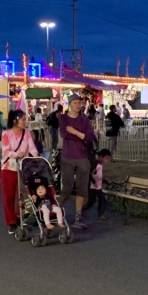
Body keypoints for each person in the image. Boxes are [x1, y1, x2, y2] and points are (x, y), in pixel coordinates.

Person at [58, 95, 97, 229]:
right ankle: (55, 211)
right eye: (74, 103)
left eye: (79, 103)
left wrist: (75, 132)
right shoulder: (63, 118)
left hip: (82, 156)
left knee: (82, 188)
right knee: (67, 188)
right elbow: (64, 134)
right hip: (68, 156)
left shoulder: (84, 120)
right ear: (69, 104)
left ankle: (78, 216)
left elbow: (90, 136)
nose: (77, 105)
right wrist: (81, 135)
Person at [0, 110, 40, 234]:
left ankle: (20, 216)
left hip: (23, 168)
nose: (25, 122)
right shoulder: (6, 134)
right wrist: (17, 154)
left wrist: (37, 157)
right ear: (15, 120)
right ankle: (11, 221)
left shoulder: (26, 133)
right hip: (8, 168)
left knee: (24, 194)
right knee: (9, 196)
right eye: (23, 119)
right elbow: (6, 151)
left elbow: (32, 148)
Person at [88, 149, 112, 221]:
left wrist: (106, 181)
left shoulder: (100, 166)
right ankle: (82, 209)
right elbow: (90, 174)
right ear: (101, 157)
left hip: (98, 187)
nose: (107, 161)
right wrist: (93, 182)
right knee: (92, 201)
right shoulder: (95, 165)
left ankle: (100, 214)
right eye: (106, 158)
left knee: (102, 200)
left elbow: (100, 177)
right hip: (92, 187)